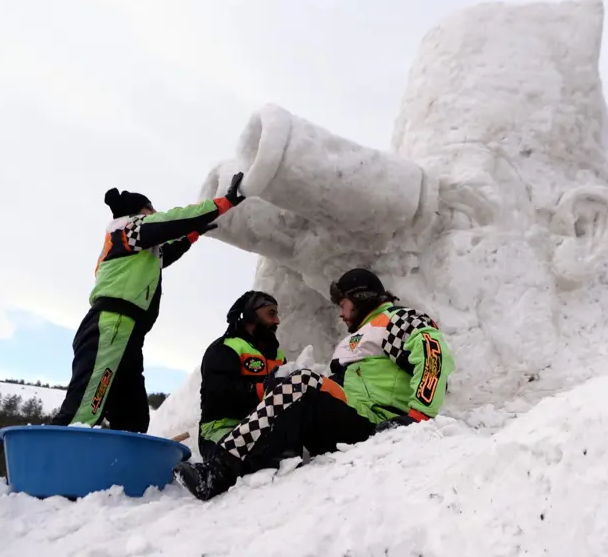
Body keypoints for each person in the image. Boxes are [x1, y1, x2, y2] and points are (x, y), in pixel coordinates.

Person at [173, 267, 455, 501]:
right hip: (352, 416)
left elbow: (432, 351)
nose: (340, 314)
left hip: (378, 419)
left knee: (301, 382)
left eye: (343, 305)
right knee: (299, 385)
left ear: (361, 298)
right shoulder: (359, 336)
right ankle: (257, 462)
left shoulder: (393, 320)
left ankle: (219, 471)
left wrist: (419, 414)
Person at [51, 172, 246, 433]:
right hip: (111, 326)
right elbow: (170, 222)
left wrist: (194, 233)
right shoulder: (127, 229)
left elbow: (167, 251)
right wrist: (223, 203)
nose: (155, 213)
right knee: (86, 406)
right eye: (150, 209)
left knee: (132, 417)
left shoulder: (139, 249)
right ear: (139, 211)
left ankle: (129, 452)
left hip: (128, 334)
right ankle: (55, 449)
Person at [197, 290, 287, 448]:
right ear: (251, 315)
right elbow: (217, 393)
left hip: (264, 429)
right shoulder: (225, 348)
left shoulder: (278, 355)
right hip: (222, 431)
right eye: (271, 314)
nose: (277, 321)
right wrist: (260, 389)